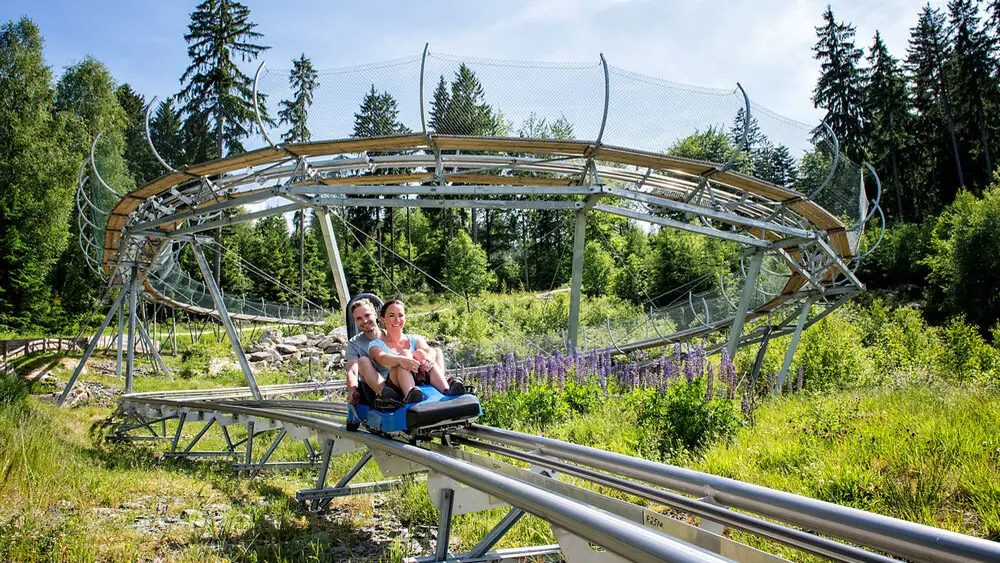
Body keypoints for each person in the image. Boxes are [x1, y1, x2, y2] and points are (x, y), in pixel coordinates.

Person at [367, 298, 465, 404]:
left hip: (420, 377)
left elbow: (428, 349)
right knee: (405, 355)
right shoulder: (375, 344)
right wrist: (401, 360)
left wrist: (428, 358)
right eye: (391, 316)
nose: (397, 320)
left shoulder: (414, 338)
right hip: (396, 384)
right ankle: (410, 394)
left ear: (405, 318)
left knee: (421, 353)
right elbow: (382, 358)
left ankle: (446, 390)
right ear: (383, 319)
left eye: (400, 315)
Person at [344, 298, 403, 406]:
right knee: (363, 360)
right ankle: (387, 395)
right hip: (375, 388)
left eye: (367, 315)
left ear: (375, 315)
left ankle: (440, 387)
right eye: (359, 319)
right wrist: (352, 390)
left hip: (399, 379)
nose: (364, 321)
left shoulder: (392, 334)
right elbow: (352, 371)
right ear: (355, 321)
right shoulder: (354, 343)